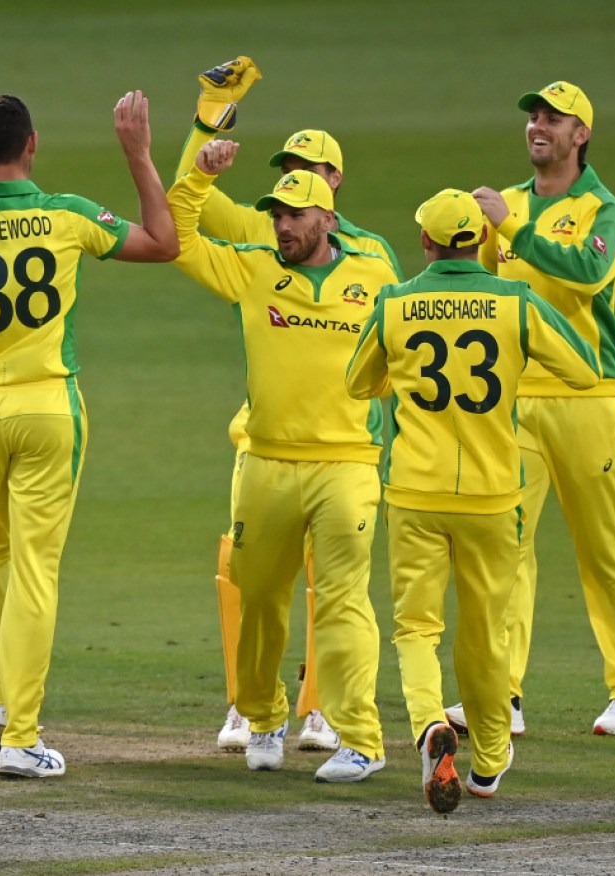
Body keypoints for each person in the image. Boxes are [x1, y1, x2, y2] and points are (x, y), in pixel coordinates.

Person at [0, 91, 178, 778]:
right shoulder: (66, 212)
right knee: (34, 571)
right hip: (50, 405)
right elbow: (163, 244)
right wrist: (138, 154)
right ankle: (21, 734)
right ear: (31, 145)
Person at [346, 188, 598, 813]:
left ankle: (430, 720)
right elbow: (585, 371)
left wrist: (396, 375)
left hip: (414, 490)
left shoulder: (396, 301)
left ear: (425, 242)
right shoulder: (515, 301)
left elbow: (357, 382)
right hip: (493, 495)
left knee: (415, 626)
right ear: (482, 239)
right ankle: (487, 760)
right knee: (484, 635)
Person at [180, 56, 404, 755]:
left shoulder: (372, 259)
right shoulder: (257, 235)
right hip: (266, 446)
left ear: (332, 186)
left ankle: (325, 710)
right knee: (260, 591)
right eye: (282, 171)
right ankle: (259, 709)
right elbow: (182, 211)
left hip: (344, 449)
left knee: (337, 592)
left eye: (305, 171)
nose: (285, 189)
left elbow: (396, 354)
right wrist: (210, 116)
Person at [444, 81, 615, 737]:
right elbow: (477, 285)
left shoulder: (602, 209)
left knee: (602, 546)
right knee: (503, 547)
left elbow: (584, 274)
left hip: (588, 397)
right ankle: (500, 693)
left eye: (552, 119)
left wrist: (512, 228)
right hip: (513, 401)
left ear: (580, 135)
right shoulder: (500, 206)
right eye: (532, 116)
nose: (537, 126)